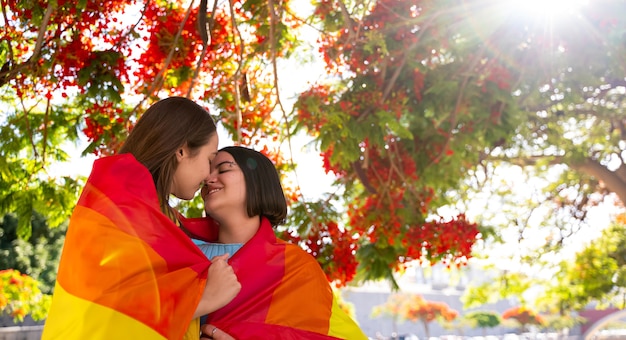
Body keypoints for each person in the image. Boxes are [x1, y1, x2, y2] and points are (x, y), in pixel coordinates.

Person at [42, 97, 241, 340]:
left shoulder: (165, 219)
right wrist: (203, 300)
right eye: (209, 160)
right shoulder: (116, 203)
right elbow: (104, 312)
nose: (209, 174)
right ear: (181, 150)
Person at [181, 146, 368, 339]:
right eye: (207, 172)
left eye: (224, 169)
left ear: (257, 182)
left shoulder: (295, 267)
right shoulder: (180, 250)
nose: (208, 179)